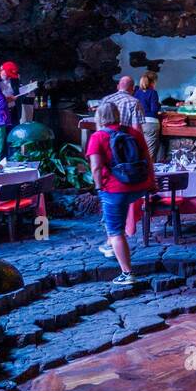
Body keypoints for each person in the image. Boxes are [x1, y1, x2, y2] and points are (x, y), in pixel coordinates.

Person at [85, 100, 154, 285]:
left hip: (115, 189)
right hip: (138, 186)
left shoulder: (98, 137)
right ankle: (109, 246)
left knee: (115, 231)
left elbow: (96, 168)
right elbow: (148, 159)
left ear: (99, 116)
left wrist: (99, 187)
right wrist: (151, 182)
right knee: (114, 223)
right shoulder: (132, 132)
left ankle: (127, 273)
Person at [135, 72, 163, 160]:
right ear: (153, 81)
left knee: (141, 150)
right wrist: (159, 105)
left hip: (139, 123)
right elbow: (154, 110)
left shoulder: (137, 93)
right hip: (151, 124)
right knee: (150, 154)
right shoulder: (153, 93)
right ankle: (147, 172)